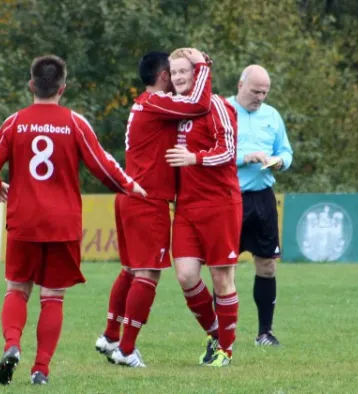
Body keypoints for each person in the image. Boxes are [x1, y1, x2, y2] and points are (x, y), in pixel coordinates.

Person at [0, 55, 146, 385]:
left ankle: (12, 345)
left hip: (24, 222)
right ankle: (41, 369)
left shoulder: (14, 123)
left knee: (17, 290)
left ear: (31, 85)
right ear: (62, 88)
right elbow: (102, 164)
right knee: (52, 296)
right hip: (62, 223)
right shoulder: (74, 123)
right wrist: (129, 185)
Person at [95, 48, 213, 368]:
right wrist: (202, 67)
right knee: (148, 274)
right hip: (148, 199)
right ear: (163, 76)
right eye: (172, 73)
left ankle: (109, 336)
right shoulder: (156, 102)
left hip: (131, 194)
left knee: (131, 271)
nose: (176, 78)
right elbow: (199, 104)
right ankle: (127, 349)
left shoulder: (144, 104)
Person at [164, 48, 241, 367]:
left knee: (222, 280)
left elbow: (229, 151)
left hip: (220, 204)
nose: (179, 77)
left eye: (185, 71)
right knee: (185, 275)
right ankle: (215, 333)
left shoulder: (217, 105)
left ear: (199, 74)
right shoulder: (174, 109)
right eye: (175, 72)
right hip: (186, 206)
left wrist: (194, 158)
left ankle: (226, 349)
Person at [227, 64, 293, 346]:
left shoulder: (272, 116)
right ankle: (221, 334)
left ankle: (264, 333)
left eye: (264, 93)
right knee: (223, 268)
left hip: (263, 198)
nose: (259, 98)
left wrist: (280, 162)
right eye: (255, 91)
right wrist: (246, 157)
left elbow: (286, 152)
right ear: (241, 85)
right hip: (230, 198)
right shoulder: (222, 111)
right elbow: (213, 152)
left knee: (267, 265)